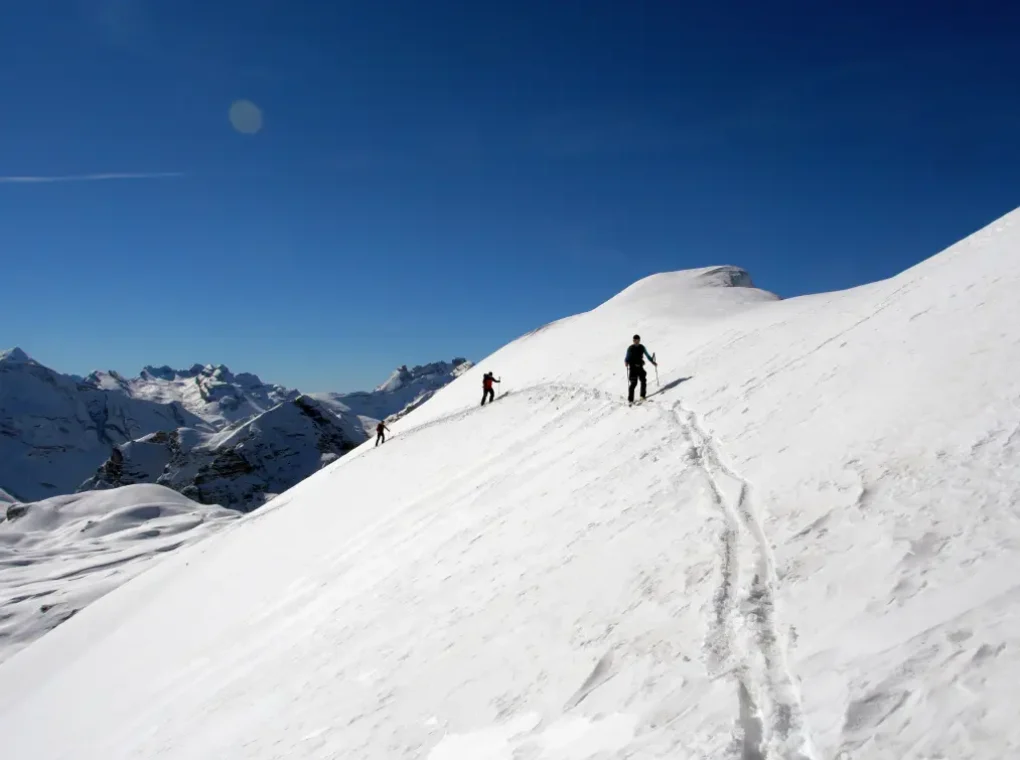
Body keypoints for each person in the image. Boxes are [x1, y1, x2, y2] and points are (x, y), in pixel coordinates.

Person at [625, 334, 657, 403]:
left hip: (640, 367)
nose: (636, 342)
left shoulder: (642, 347)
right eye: (635, 340)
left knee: (643, 380)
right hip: (633, 367)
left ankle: (642, 396)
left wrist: (652, 362)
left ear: (639, 340)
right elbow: (627, 357)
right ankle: (630, 400)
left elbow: (647, 355)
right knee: (634, 383)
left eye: (637, 340)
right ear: (633, 341)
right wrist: (626, 362)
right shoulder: (630, 348)